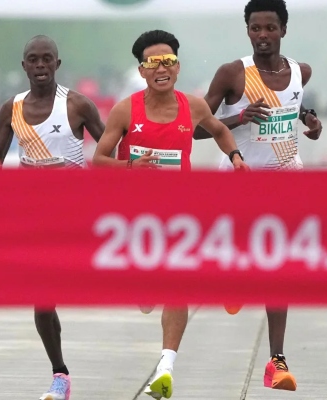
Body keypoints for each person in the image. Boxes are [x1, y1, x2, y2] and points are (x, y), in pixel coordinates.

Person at [92, 29, 249, 399]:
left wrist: (236, 157)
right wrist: (131, 165)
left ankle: (166, 367)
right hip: (136, 219)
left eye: (168, 61)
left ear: (177, 67)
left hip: (179, 214)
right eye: (152, 63)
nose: (161, 68)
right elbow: (99, 159)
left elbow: (220, 129)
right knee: (147, 299)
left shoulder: (192, 106)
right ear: (142, 70)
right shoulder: (125, 110)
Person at [193, 0, 324, 392]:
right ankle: (232, 276)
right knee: (242, 255)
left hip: (286, 178)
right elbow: (197, 127)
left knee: (279, 268)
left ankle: (277, 361)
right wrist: (238, 118)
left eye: (270, 28)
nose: (263, 36)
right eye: (255, 28)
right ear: (247, 30)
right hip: (239, 178)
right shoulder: (233, 73)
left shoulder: (301, 71)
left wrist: (311, 125)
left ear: (284, 29)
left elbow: (294, 109)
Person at [0, 35, 105, 400]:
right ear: (24, 66)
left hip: (75, 216)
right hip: (34, 218)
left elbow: (111, 148)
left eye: (46, 59)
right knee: (42, 300)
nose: (40, 66)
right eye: (33, 60)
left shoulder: (78, 105)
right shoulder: (11, 108)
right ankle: (60, 375)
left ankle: (142, 287)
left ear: (57, 64)